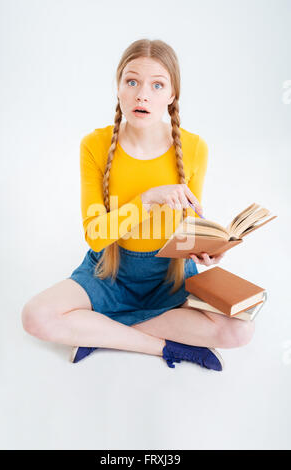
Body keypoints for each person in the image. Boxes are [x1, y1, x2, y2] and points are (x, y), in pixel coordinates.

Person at [21, 39, 255, 371]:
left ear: (172, 95)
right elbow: (95, 235)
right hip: (110, 273)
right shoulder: (95, 145)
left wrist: (206, 249)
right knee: (35, 315)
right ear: (118, 88)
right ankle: (163, 347)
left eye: (157, 85)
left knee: (241, 329)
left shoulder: (195, 147)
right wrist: (145, 200)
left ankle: (98, 333)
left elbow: (189, 223)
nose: (142, 94)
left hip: (170, 278)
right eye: (132, 81)